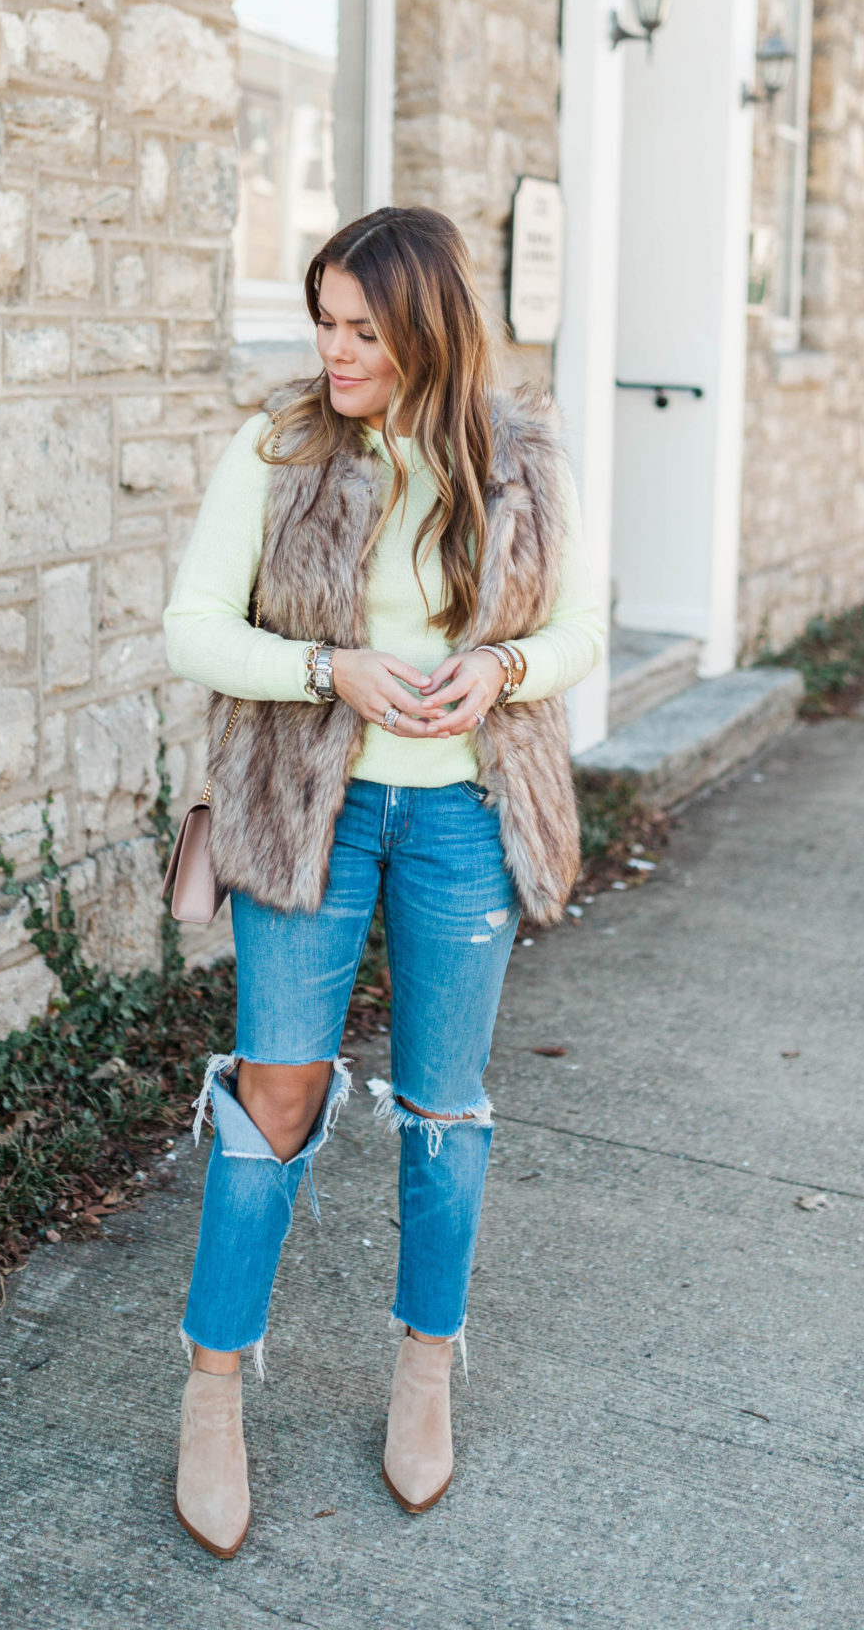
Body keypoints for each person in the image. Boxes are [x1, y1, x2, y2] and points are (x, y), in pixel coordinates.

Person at [162, 206, 604, 1556]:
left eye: (363, 328)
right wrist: (327, 670)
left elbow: (583, 624)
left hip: (468, 819)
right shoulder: (279, 446)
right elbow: (192, 626)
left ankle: (425, 1370)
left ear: (425, 330)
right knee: (276, 1091)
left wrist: (505, 670)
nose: (334, 349)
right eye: (325, 321)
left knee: (443, 1104)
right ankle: (213, 1392)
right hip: (313, 813)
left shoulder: (519, 458)